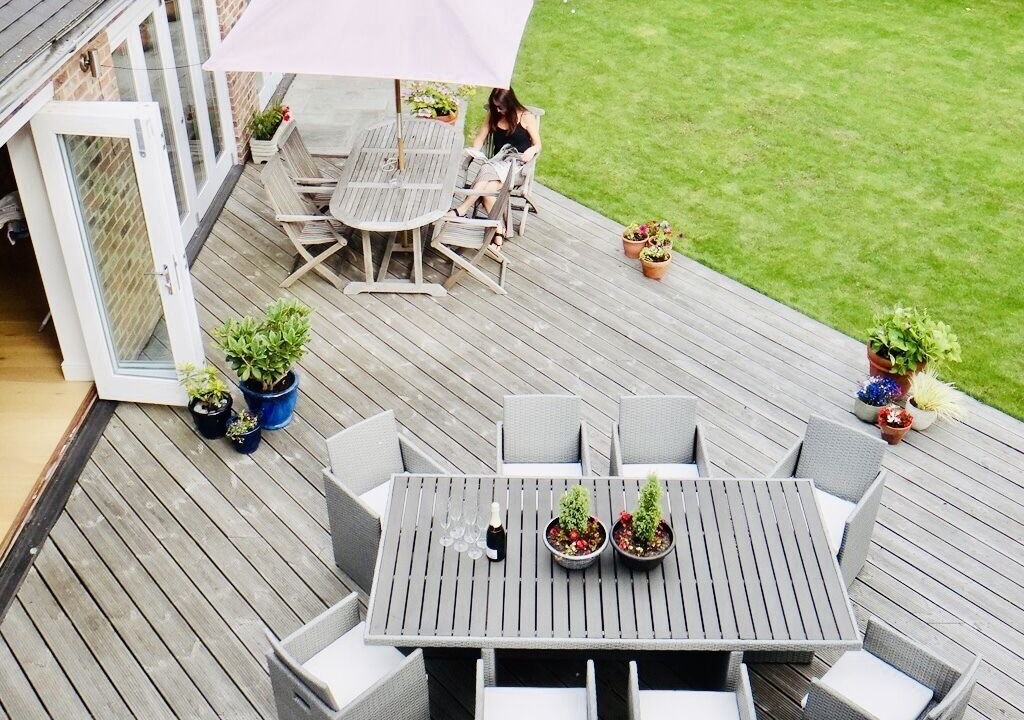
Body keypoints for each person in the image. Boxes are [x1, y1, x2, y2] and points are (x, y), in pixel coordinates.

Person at [447, 87, 541, 249]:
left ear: (510, 103)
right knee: (487, 191)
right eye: (495, 106)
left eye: (501, 107)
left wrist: (531, 150)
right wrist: (475, 150)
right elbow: (480, 138)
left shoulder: (526, 117)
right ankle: (499, 230)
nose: (498, 110)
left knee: (486, 170)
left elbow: (538, 144)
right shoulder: (493, 115)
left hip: (517, 167)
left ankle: (462, 210)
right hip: (498, 163)